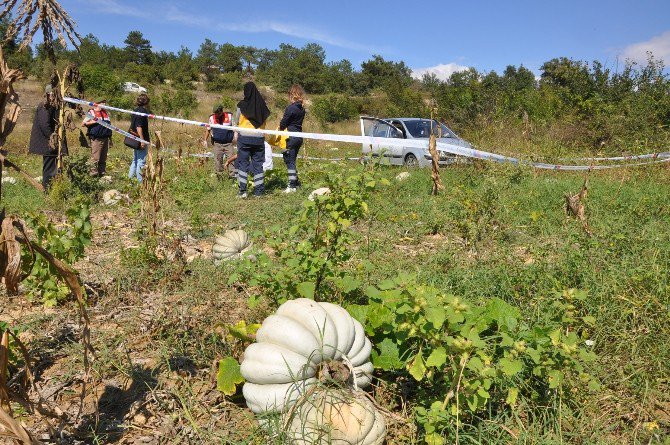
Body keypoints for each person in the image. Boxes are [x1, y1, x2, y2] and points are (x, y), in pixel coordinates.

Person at [234, 81, 270, 198]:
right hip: (259, 139)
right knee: (258, 165)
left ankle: (243, 191)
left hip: (244, 138)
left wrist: (237, 133)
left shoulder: (241, 106)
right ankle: (259, 192)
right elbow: (265, 119)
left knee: (242, 164)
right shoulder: (262, 106)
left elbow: (237, 121)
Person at [29, 85, 67, 191]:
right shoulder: (44, 106)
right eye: (52, 94)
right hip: (48, 144)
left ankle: (56, 188)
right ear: (48, 94)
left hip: (54, 143)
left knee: (57, 167)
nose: (54, 96)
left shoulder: (55, 105)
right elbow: (44, 125)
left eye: (56, 94)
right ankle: (48, 191)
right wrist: (53, 138)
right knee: (50, 169)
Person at [279, 84, 306, 193]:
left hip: (290, 136)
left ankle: (291, 186)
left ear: (292, 95)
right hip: (299, 136)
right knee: (292, 160)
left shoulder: (291, 108)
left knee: (289, 160)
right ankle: (296, 183)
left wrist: (280, 127)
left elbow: (283, 123)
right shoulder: (302, 108)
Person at [203, 104, 235, 179]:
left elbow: (235, 128)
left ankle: (233, 178)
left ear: (221, 112)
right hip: (217, 143)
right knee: (218, 161)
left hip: (228, 143)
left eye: (218, 113)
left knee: (232, 160)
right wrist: (205, 140)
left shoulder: (229, 116)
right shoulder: (211, 118)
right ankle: (219, 178)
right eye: (215, 113)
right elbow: (208, 130)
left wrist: (236, 138)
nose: (216, 115)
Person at [82, 99, 112, 177]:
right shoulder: (91, 112)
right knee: (95, 157)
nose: (104, 105)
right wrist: (94, 121)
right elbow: (83, 124)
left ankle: (102, 173)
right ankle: (93, 174)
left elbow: (109, 126)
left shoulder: (106, 113)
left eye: (105, 103)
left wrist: (110, 140)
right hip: (96, 138)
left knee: (103, 158)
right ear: (97, 104)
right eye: (103, 103)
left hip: (106, 138)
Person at [128, 93, 150, 183]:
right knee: (141, 161)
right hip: (139, 139)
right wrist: (142, 140)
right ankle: (140, 183)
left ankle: (129, 179)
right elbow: (139, 126)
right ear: (146, 102)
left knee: (135, 160)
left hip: (134, 138)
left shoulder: (135, 110)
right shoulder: (143, 112)